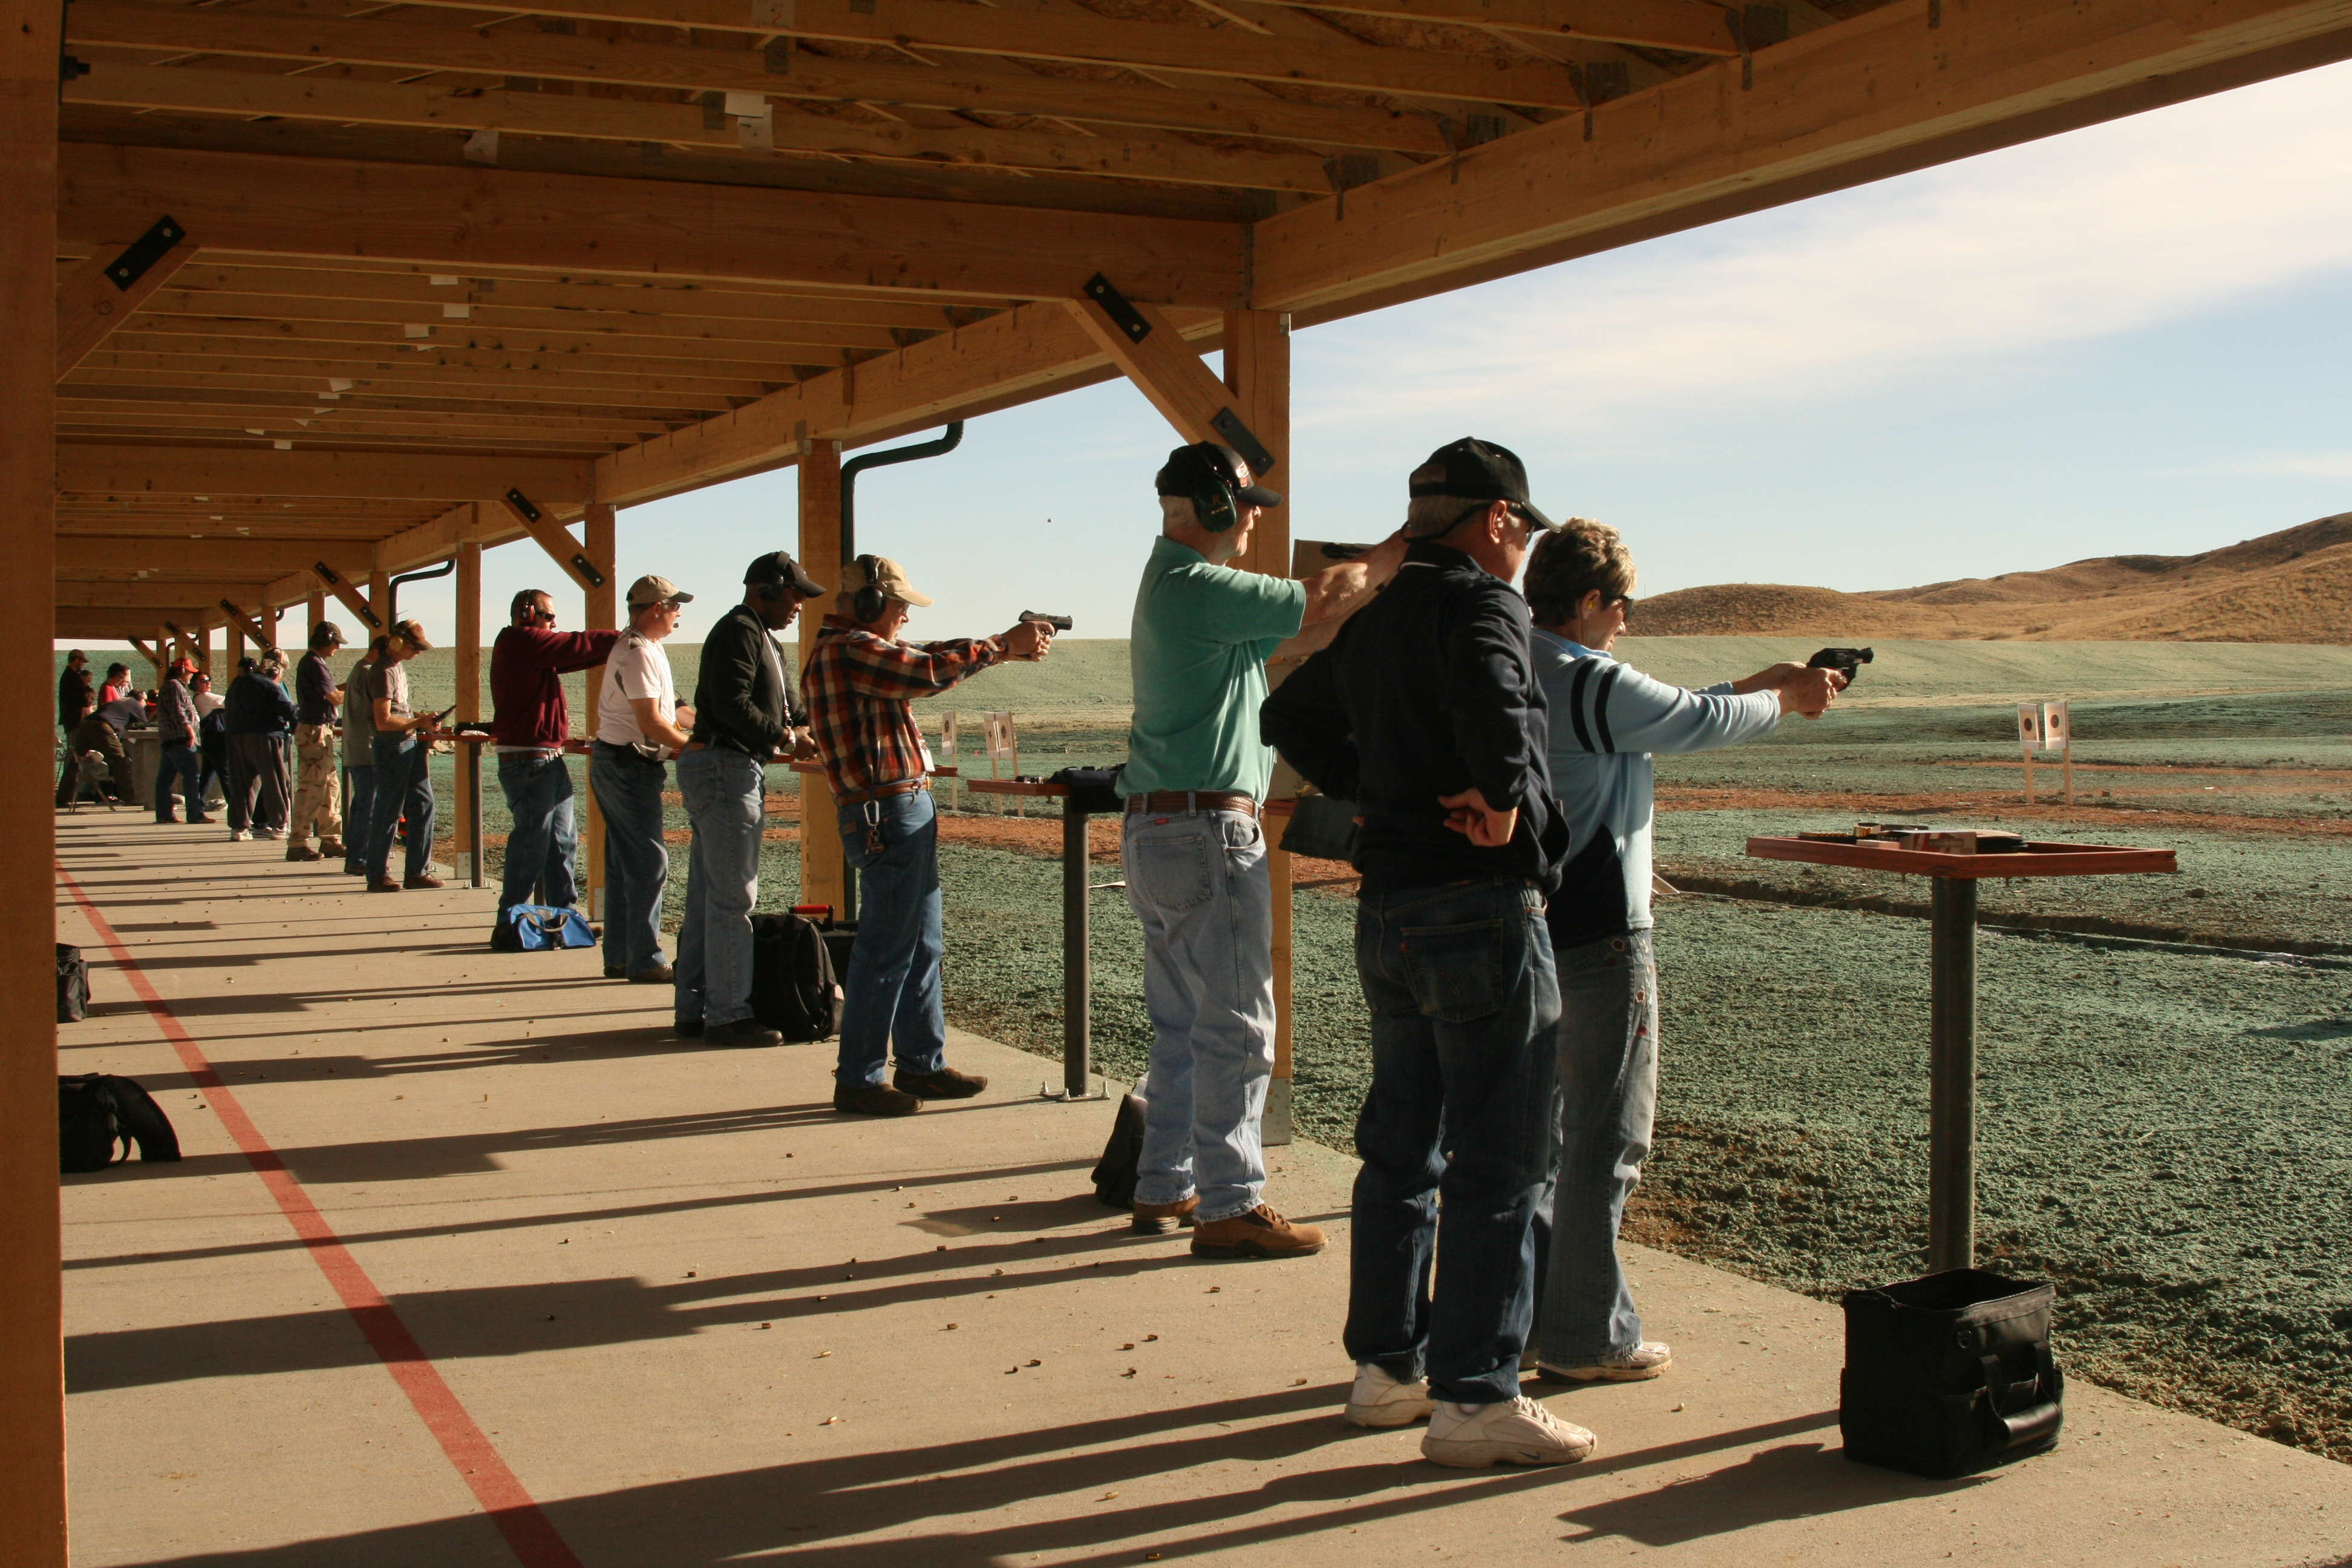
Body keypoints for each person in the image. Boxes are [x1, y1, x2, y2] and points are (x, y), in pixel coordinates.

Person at [1262, 436, 1590, 1469]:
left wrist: (1377, 787)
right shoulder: (1482, 604)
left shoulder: (1380, 609)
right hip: (1477, 905)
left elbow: (1286, 713)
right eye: (1519, 533)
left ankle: (1386, 1371)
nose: (1522, 556)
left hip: (1390, 902)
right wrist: (1497, 802)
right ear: (1498, 520)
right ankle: (1475, 1397)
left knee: (1401, 1147)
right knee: (1500, 1151)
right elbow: (1498, 701)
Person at [1520, 521, 1843, 1386]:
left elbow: (1646, 715)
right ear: (1589, 604)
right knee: (1605, 1139)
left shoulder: (1516, 659)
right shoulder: (1578, 672)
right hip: (1598, 935)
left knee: (1541, 1141)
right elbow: (1689, 720)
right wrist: (1787, 700)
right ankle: (1588, 1334)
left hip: (1532, 924)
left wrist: (1758, 684)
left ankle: (1525, 1320)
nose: (1623, 625)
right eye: (1619, 610)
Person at [1118, 441, 1407, 1258]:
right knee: (1240, 1027)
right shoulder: (1194, 585)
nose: (1252, 519)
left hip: (1164, 828)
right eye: (1246, 504)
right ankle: (1231, 1203)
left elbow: (1297, 637)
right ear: (1213, 505)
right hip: (1207, 831)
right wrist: (1396, 553)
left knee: (1180, 1026)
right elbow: (1320, 595)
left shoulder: (1181, 592)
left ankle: (1166, 1184)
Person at [804, 555, 1051, 1113]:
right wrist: (999, 646)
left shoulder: (853, 650)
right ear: (869, 605)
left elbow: (923, 659)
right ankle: (860, 1079)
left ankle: (921, 1065)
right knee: (887, 951)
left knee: (921, 946)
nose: (904, 619)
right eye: (898, 607)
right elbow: (922, 671)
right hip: (887, 812)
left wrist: (996, 646)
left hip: (898, 808)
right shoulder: (849, 650)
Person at [674, 552, 822, 1048]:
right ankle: (728, 1014)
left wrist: (798, 726)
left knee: (708, 897)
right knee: (733, 898)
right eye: (794, 594)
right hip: (726, 767)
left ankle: (694, 1006)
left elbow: (792, 707)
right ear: (768, 588)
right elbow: (731, 703)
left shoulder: (762, 638)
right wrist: (785, 736)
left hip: (727, 767)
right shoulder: (740, 631)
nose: (799, 605)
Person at [489, 589, 625, 933]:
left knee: (561, 842)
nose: (554, 623)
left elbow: (576, 656)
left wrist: (620, 644)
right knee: (532, 844)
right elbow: (574, 646)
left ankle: (563, 920)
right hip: (530, 762)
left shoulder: (531, 651)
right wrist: (627, 636)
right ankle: (510, 921)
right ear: (526, 614)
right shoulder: (519, 641)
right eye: (548, 616)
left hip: (544, 760)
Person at [589, 576, 696, 984]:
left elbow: (671, 711)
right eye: (674, 606)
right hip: (627, 765)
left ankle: (621, 955)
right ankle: (646, 958)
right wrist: (695, 749)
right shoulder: (637, 654)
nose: (678, 614)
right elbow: (653, 723)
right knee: (649, 863)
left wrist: (702, 729)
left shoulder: (645, 649)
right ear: (656, 608)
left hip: (624, 764)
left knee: (623, 864)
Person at [358, 618, 443, 892]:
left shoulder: (395, 668)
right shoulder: (383, 672)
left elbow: (398, 712)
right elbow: (383, 721)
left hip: (405, 743)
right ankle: (377, 874)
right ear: (397, 643)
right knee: (389, 810)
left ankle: (416, 871)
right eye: (413, 647)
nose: (417, 652)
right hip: (392, 746)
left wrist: (420, 720)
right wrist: (418, 723)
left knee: (423, 805)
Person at [286, 623, 349, 863]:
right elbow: (333, 697)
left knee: (330, 789)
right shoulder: (314, 664)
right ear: (327, 640)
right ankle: (298, 841)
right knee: (312, 788)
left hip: (320, 731)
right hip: (315, 732)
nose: (337, 648)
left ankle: (330, 839)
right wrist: (353, 688)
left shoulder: (313, 663)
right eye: (335, 643)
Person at [224, 651, 297, 841]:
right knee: (275, 781)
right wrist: (298, 722)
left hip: (237, 737)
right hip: (266, 737)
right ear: (274, 673)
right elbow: (287, 709)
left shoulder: (237, 684)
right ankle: (280, 825)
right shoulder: (268, 685)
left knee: (243, 785)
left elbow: (228, 709)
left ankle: (239, 828)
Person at [338, 641, 379, 878]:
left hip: (357, 747)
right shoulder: (367, 672)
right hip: (366, 749)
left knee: (362, 806)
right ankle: (359, 858)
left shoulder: (359, 669)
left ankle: (356, 857)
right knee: (367, 806)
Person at [151, 657, 207, 826]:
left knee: (165, 779)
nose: (191, 676)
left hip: (170, 738)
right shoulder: (174, 686)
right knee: (192, 776)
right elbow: (178, 710)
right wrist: (189, 730)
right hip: (180, 738)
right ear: (182, 671)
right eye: (190, 672)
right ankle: (195, 814)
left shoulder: (169, 685)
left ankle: (164, 814)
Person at [56, 694, 131, 806]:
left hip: (87, 723)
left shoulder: (117, 705)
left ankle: (62, 799)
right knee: (120, 761)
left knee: (74, 763)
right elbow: (144, 724)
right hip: (103, 727)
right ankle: (129, 798)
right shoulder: (135, 705)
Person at [57, 650, 91, 739]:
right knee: (74, 751)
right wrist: (90, 690)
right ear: (77, 660)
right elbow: (85, 700)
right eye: (82, 662)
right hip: (75, 722)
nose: (83, 665)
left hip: (73, 721)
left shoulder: (69, 676)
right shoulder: (72, 678)